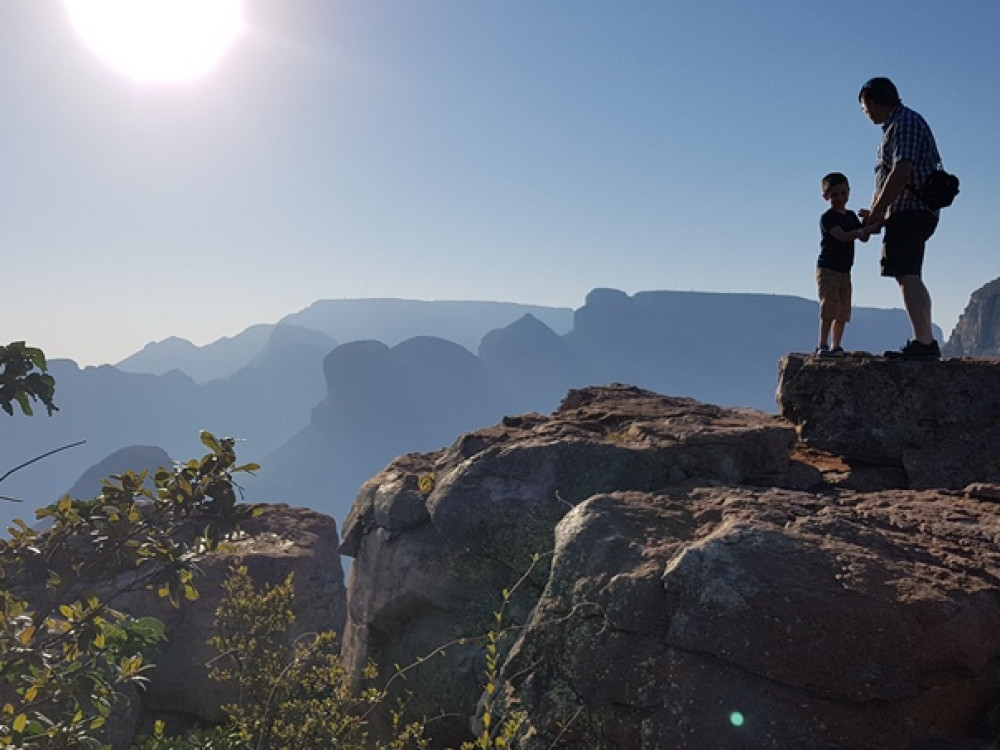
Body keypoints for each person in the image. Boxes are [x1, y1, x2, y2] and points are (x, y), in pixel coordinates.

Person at [858, 76, 943, 359]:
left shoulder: (903, 123)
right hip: (908, 209)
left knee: (907, 273)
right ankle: (924, 340)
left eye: (864, 106)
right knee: (908, 273)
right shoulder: (898, 124)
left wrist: (879, 211)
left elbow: (900, 172)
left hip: (910, 210)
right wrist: (876, 215)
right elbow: (888, 179)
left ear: (872, 100)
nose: (864, 112)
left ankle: (924, 343)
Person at [815, 172, 873, 357]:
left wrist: (868, 221)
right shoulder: (828, 218)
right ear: (826, 197)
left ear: (849, 192)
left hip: (845, 270)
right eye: (834, 195)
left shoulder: (850, 216)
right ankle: (822, 345)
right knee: (829, 306)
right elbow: (844, 237)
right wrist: (865, 228)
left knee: (842, 310)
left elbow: (864, 237)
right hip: (828, 268)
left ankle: (836, 346)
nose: (840, 198)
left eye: (843, 193)